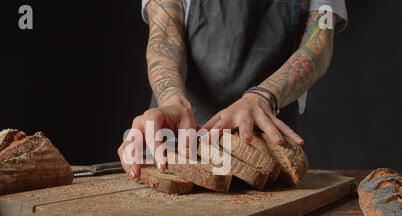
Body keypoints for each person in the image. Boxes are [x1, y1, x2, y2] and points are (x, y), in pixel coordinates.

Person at [118, 0, 347, 178]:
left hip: (263, 144)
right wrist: (172, 101)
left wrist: (261, 97)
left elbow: (319, 41)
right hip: (177, 137)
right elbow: (165, 33)